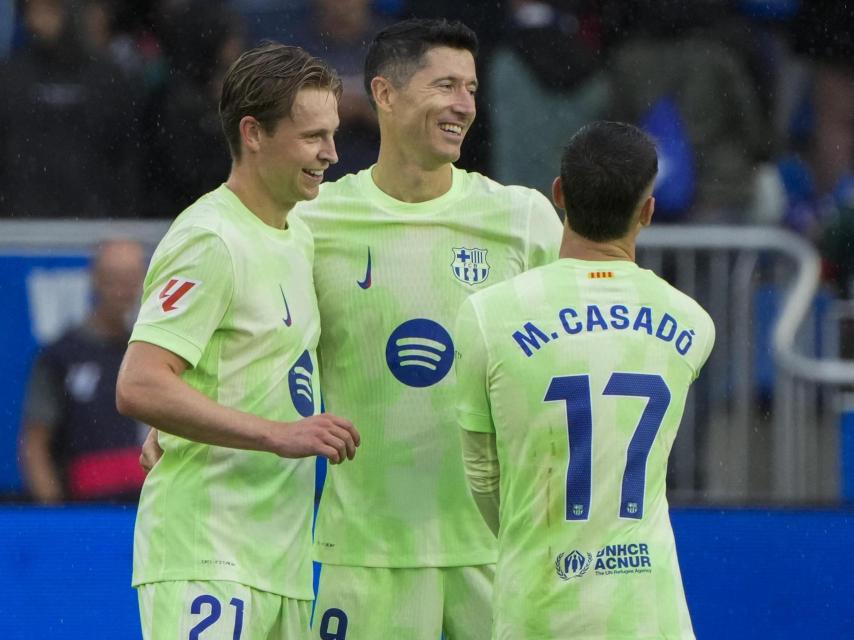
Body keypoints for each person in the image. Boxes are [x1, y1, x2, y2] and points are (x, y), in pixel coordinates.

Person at [297, 19, 563, 639]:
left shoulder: (522, 218)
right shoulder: (315, 220)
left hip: (498, 547)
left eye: (471, 88)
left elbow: (575, 350)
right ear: (385, 94)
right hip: (366, 551)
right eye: (445, 85)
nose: (464, 106)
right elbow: (260, 339)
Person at [115, 43, 359, 640]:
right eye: (312, 137)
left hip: (282, 557)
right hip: (207, 552)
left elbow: (223, 370)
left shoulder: (297, 234)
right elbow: (140, 382)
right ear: (253, 132)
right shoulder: (210, 239)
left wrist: (180, 418)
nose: (331, 153)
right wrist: (277, 435)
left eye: (331, 134)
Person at [453, 121, 715, 638]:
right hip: (650, 612)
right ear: (647, 212)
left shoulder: (488, 314)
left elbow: (483, 476)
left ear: (558, 195)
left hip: (539, 606)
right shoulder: (693, 322)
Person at [20, 238, 147, 504]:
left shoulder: (149, 354)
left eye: (132, 279)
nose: (123, 290)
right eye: (114, 279)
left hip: (144, 508)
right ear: (94, 279)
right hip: (83, 512)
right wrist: (56, 513)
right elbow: (35, 442)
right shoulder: (62, 356)